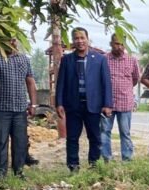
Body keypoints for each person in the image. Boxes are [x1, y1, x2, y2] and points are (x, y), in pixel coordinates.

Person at [55, 27, 113, 172]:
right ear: (72, 41)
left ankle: (94, 166)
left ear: (88, 39)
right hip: (73, 105)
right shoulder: (67, 60)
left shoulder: (100, 59)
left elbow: (106, 83)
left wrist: (107, 104)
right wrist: (59, 103)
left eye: (82, 38)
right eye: (76, 38)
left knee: (95, 138)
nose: (79, 41)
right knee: (72, 139)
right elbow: (61, 83)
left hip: (93, 106)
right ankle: (73, 168)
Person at [0, 38, 37, 180]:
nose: (10, 42)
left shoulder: (24, 59)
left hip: (20, 108)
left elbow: (30, 82)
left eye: (12, 39)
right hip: (0, 108)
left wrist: (33, 104)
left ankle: (18, 173)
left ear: (16, 41)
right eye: (6, 39)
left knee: (20, 143)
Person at [101, 34, 140, 162]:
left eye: (122, 44)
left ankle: (127, 159)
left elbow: (135, 79)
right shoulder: (104, 59)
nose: (120, 47)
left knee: (125, 133)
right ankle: (107, 159)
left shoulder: (132, 60)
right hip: (107, 103)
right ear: (111, 44)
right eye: (117, 44)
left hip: (125, 102)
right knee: (105, 131)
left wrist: (125, 89)